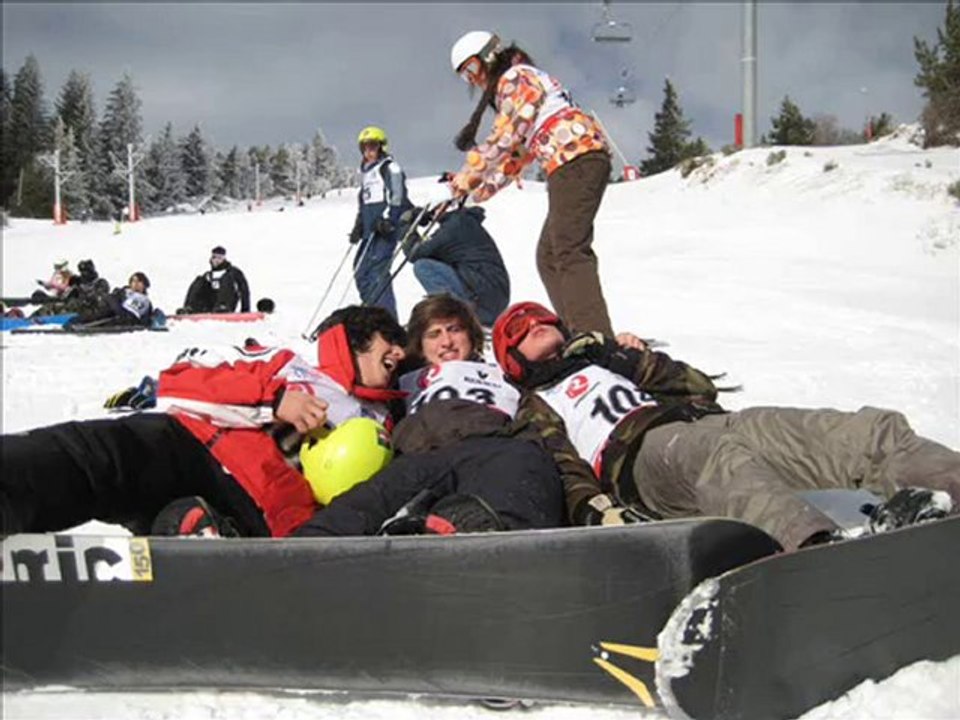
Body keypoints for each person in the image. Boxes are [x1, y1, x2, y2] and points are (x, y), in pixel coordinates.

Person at [491, 301, 960, 551]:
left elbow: (699, 386)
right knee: (720, 462)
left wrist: (628, 360)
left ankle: (946, 484)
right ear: (512, 362)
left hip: (712, 422)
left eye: (540, 317)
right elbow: (561, 467)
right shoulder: (537, 404)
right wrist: (595, 511)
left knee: (859, 430)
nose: (533, 323)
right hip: (644, 460)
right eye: (518, 329)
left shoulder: (608, 358)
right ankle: (817, 551)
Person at [0, 306, 407, 538]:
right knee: (100, 455)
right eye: (390, 340)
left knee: (194, 524)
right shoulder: (287, 363)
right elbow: (180, 382)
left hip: (260, 514)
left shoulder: (387, 422)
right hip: (197, 448)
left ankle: (190, 534)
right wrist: (274, 399)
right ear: (354, 338)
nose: (400, 354)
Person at [293, 294, 579, 537]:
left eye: (455, 330)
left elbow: (547, 424)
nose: (447, 342)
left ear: (472, 335)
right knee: (360, 506)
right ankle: (300, 554)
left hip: (493, 448)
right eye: (434, 334)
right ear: (418, 344)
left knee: (524, 476)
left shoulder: (506, 376)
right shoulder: (399, 381)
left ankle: (486, 541)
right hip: (418, 456)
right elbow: (349, 368)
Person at [441, 31, 615, 337]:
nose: (473, 80)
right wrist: (479, 188)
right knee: (548, 256)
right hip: (571, 160)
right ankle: (576, 333)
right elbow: (517, 155)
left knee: (568, 249)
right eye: (465, 77)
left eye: (472, 69)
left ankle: (594, 337)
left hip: (575, 157)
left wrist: (469, 175)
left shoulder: (516, 76)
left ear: (489, 56)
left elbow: (506, 134)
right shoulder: (519, 85)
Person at [399, 205, 509, 327]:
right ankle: (458, 312)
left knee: (423, 267)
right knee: (433, 263)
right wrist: (427, 217)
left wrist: (405, 227)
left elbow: (415, 253)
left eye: (436, 207)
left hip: (483, 302)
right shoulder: (463, 222)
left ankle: (455, 315)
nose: (434, 212)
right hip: (493, 300)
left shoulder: (454, 227)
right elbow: (432, 251)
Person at [347, 126, 414, 320]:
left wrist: (388, 219)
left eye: (372, 146)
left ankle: (387, 320)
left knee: (377, 273)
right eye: (364, 147)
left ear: (381, 146)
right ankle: (373, 315)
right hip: (370, 231)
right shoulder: (367, 173)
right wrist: (359, 225)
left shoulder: (390, 168)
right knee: (361, 271)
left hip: (384, 230)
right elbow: (364, 202)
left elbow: (397, 196)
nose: (368, 151)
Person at [64, 271, 155, 328]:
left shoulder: (143, 299)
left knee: (103, 315)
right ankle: (73, 318)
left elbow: (127, 314)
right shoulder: (125, 291)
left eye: (139, 281)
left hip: (121, 316)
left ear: (144, 285)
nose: (136, 283)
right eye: (133, 281)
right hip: (110, 308)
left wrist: (110, 299)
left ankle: (79, 323)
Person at [178, 246, 251, 314]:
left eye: (220, 258)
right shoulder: (208, 275)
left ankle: (222, 306)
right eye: (214, 257)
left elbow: (244, 290)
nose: (217, 260)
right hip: (211, 305)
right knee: (199, 280)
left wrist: (245, 310)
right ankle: (190, 308)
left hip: (227, 303)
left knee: (226, 279)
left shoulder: (233, 272)